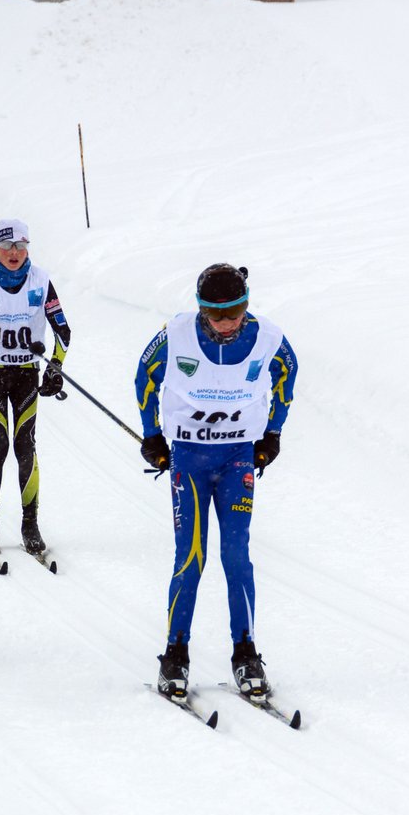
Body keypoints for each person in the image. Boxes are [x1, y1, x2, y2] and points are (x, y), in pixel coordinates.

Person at [135, 263, 298, 704]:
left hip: (236, 459)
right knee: (191, 556)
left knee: (236, 556)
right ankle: (175, 654)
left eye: (235, 312)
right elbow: (145, 375)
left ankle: (246, 653)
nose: (226, 323)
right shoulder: (176, 334)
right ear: (201, 309)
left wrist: (273, 433)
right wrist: (152, 435)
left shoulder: (268, 338)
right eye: (216, 314)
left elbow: (288, 374)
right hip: (189, 459)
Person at [0, 218, 71, 558]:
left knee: (25, 444)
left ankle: (30, 524)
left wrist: (55, 367)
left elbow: (63, 331)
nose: (14, 253)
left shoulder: (41, 281)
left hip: (26, 374)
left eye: (20, 246)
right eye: (7, 246)